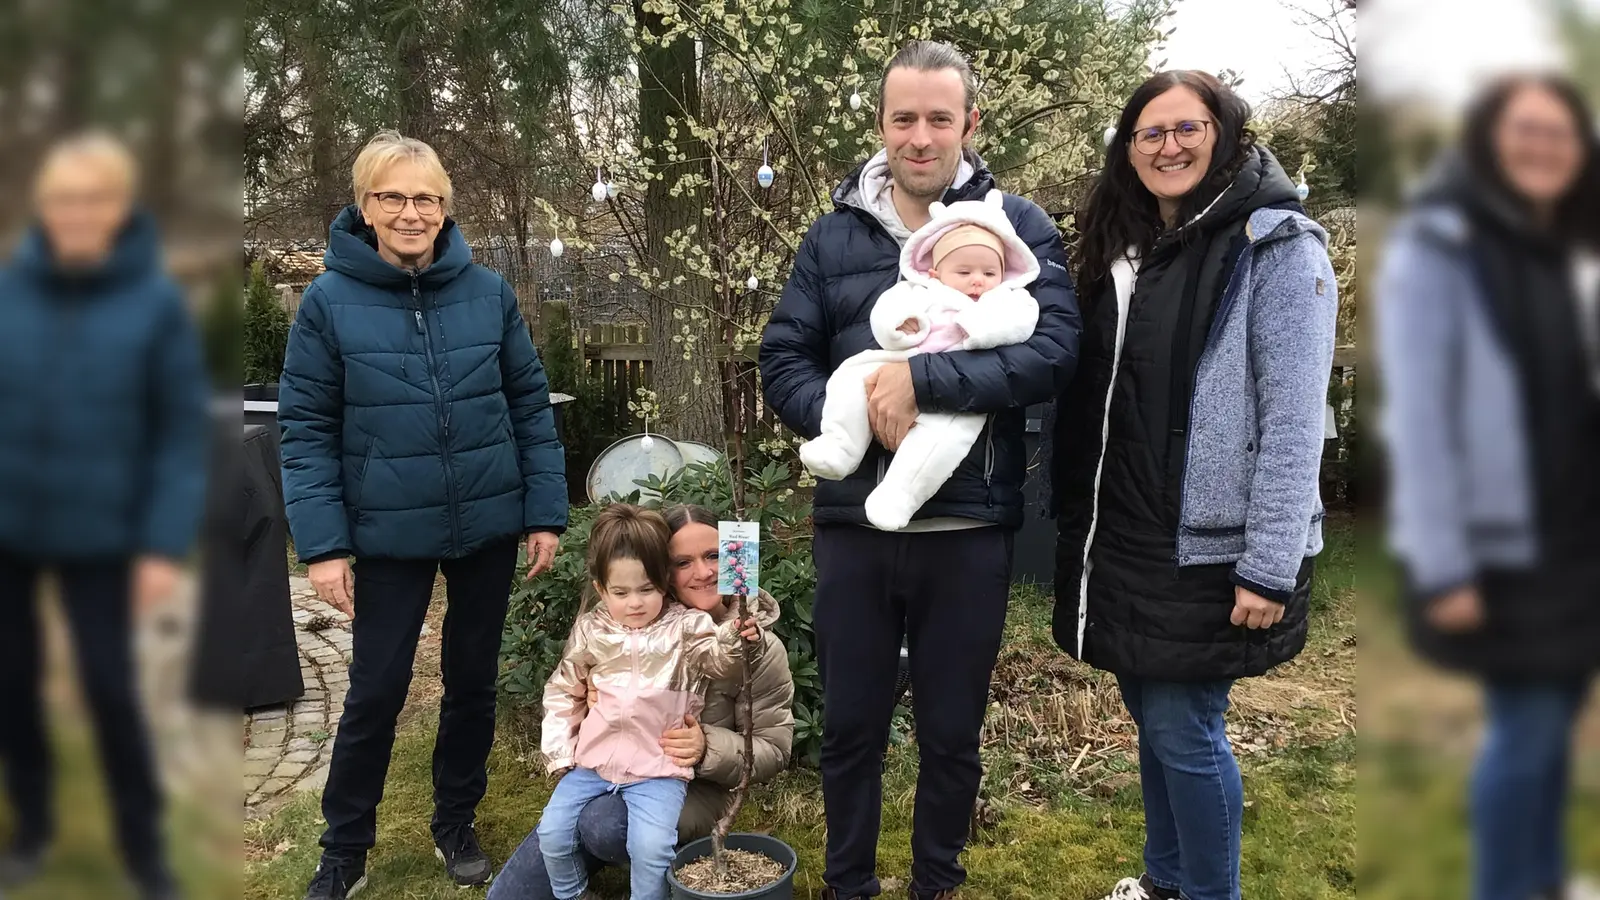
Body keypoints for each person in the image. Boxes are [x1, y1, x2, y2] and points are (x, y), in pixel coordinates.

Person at [759, 39, 1080, 900]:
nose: (921, 135)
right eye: (904, 118)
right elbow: (783, 357)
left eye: (940, 118)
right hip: (854, 528)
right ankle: (848, 884)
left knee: (951, 734)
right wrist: (863, 416)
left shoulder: (1019, 229)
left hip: (969, 528)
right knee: (851, 728)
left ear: (969, 124)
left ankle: (937, 882)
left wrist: (921, 380)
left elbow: (1052, 352)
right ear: (882, 124)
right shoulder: (832, 239)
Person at [1049, 70, 1336, 900]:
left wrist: (1268, 564)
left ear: (1225, 134)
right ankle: (1166, 882)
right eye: (1150, 132)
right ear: (1128, 148)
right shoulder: (1128, 245)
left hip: (1210, 545)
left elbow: (1291, 421)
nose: (1168, 146)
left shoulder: (1277, 247)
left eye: (1187, 128)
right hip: (1129, 532)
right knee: (1156, 722)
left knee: (1186, 729)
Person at [279, 129, 568, 900]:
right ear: (365, 207)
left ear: (444, 208)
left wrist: (544, 512)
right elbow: (305, 431)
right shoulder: (327, 303)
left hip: (486, 522)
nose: (412, 212)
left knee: (473, 682)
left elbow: (529, 406)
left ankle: (456, 823)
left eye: (426, 198)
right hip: (384, 532)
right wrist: (324, 546)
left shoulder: (489, 293)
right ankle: (344, 849)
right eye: (394, 197)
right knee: (375, 688)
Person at [1376, 74, 1600, 900]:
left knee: (1555, 726)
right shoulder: (1444, 248)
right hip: (1506, 542)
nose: (1544, 147)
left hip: (1577, 536)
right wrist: (1444, 562)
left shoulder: (1567, 247)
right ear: (1488, 143)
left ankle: (1542, 878)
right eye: (1525, 131)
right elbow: (1424, 419)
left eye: (1559, 133)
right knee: (1528, 727)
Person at [0, 132, 207, 900]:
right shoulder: (9, 293)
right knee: (10, 683)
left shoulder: (154, 306)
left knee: (111, 687)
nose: (75, 214)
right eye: (61, 200)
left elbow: (180, 435)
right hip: (10, 527)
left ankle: (142, 846)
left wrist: (159, 545)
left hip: (105, 534)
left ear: (118, 208)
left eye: (92, 199)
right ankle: (32, 829)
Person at [488, 504, 795, 899]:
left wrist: (707, 748)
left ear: (735, 556)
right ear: (658, 570)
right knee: (507, 896)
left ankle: (650, 864)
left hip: (689, 787)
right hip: (605, 765)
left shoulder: (758, 648)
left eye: (715, 555)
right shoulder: (615, 623)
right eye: (682, 562)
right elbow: (568, 687)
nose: (702, 572)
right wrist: (595, 703)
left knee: (605, 825)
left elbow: (773, 748)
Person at [799, 188, 1041, 530]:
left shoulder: (1007, 299)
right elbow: (886, 314)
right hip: (896, 363)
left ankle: (899, 496)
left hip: (961, 393)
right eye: (964, 271)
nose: (977, 281)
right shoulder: (919, 291)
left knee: (941, 443)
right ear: (936, 273)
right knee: (849, 378)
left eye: (989, 273)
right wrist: (900, 328)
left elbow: (1022, 323)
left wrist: (975, 325)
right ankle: (842, 444)